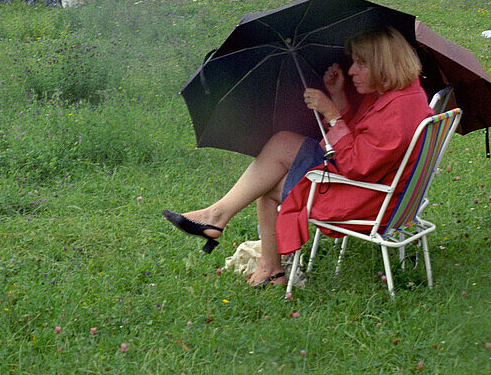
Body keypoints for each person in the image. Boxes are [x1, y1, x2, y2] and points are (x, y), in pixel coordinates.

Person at [161, 26, 433, 288]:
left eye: (361, 64)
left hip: (369, 200)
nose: (351, 71)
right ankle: (218, 218)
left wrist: (331, 113)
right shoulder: (403, 94)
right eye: (353, 62)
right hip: (380, 187)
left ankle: (268, 268)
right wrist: (338, 97)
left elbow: (355, 166)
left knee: (267, 186)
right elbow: (365, 139)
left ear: (384, 64)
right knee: (281, 142)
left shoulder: (397, 112)